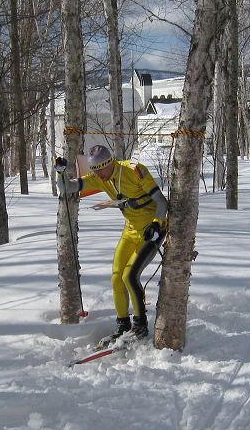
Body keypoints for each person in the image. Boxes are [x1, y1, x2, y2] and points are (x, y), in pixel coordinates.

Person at [55, 145, 167, 346]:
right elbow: (67, 187)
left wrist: (157, 225)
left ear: (109, 163)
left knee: (130, 276)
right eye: (94, 171)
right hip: (130, 231)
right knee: (116, 277)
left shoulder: (134, 170)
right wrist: (60, 173)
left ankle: (140, 326)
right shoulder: (99, 178)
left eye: (100, 170)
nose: (98, 175)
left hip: (151, 231)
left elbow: (162, 202)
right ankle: (122, 325)